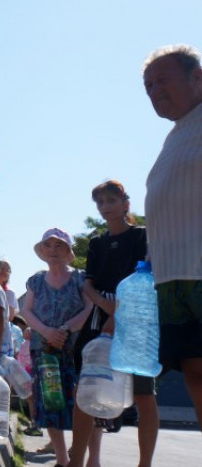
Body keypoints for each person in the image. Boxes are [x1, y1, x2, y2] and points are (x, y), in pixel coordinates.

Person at [67, 180, 159, 467]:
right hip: (99, 318)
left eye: (110, 201)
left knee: (143, 393)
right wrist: (106, 307)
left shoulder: (142, 236)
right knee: (85, 389)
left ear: (125, 204)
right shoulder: (97, 242)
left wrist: (120, 312)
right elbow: (88, 284)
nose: (105, 207)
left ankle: (145, 463)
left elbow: (146, 278)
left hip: (135, 319)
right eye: (100, 203)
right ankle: (76, 461)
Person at [142, 44, 202, 429]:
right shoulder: (175, 136)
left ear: (197, 77)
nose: (154, 91)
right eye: (147, 86)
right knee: (195, 373)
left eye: (162, 79)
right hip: (172, 279)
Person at [21, 228, 94, 467]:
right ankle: (62, 459)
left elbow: (89, 308)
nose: (53, 250)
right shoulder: (35, 280)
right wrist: (46, 331)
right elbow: (26, 311)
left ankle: (87, 458)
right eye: (48, 246)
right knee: (50, 402)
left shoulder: (79, 278)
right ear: (42, 250)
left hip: (75, 351)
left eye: (59, 245)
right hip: (44, 351)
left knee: (81, 403)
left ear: (68, 250)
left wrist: (64, 329)